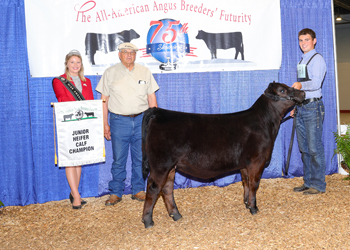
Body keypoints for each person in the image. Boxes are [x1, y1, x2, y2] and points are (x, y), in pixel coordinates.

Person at [95, 42, 159, 205]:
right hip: (119, 121)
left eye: (132, 52)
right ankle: (116, 192)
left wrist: (155, 122)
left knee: (140, 157)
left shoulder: (144, 72)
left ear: (135, 55)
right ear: (119, 54)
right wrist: (104, 124)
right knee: (119, 159)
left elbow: (151, 98)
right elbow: (104, 100)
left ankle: (138, 190)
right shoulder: (110, 73)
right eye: (125, 52)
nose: (129, 55)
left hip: (141, 120)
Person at [53, 49, 94, 209]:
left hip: (84, 123)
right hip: (68, 123)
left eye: (78, 62)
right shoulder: (59, 81)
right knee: (71, 159)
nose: (75, 65)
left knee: (79, 159)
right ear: (67, 64)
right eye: (72, 62)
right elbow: (62, 99)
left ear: (81, 65)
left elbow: (90, 102)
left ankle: (74, 192)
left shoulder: (87, 81)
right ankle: (76, 196)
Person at [291, 28, 327, 195]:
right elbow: (302, 89)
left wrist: (300, 85)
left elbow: (316, 83)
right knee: (304, 148)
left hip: (313, 107)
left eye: (306, 40)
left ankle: (319, 185)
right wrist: (295, 106)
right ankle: (308, 182)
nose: (303, 43)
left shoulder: (317, 59)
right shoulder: (303, 61)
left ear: (314, 41)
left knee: (314, 148)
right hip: (302, 106)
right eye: (300, 40)